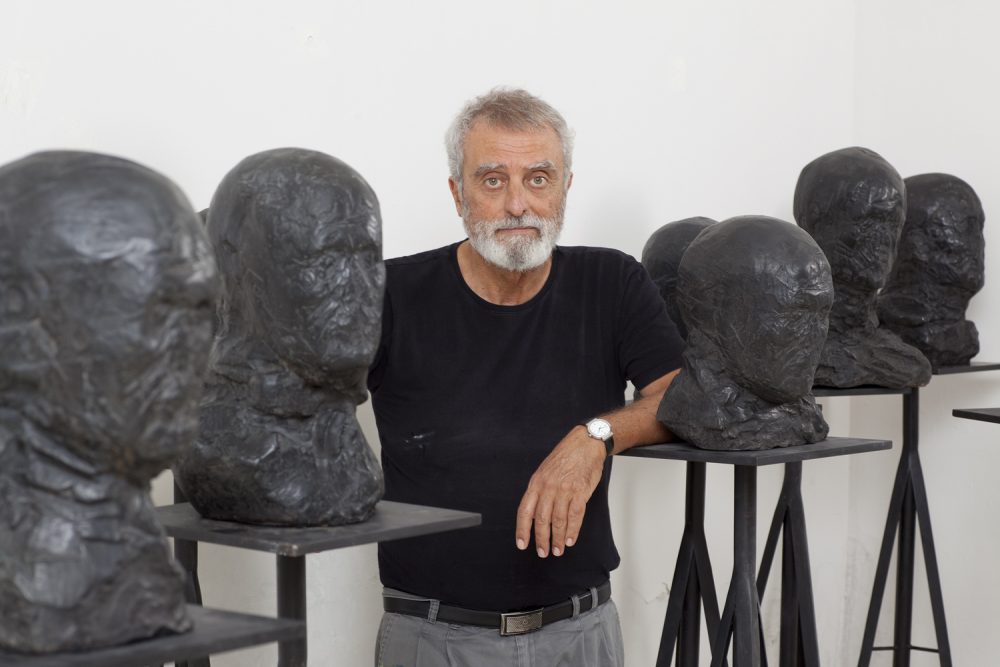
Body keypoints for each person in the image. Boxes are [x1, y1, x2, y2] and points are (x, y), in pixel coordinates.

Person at [368, 87, 683, 666]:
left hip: (581, 633)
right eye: (493, 180)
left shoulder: (612, 283)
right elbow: (305, 408)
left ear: (565, 187)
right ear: (457, 194)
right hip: (432, 637)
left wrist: (595, 436)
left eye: (539, 178)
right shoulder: (390, 295)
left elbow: (679, 397)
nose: (518, 203)